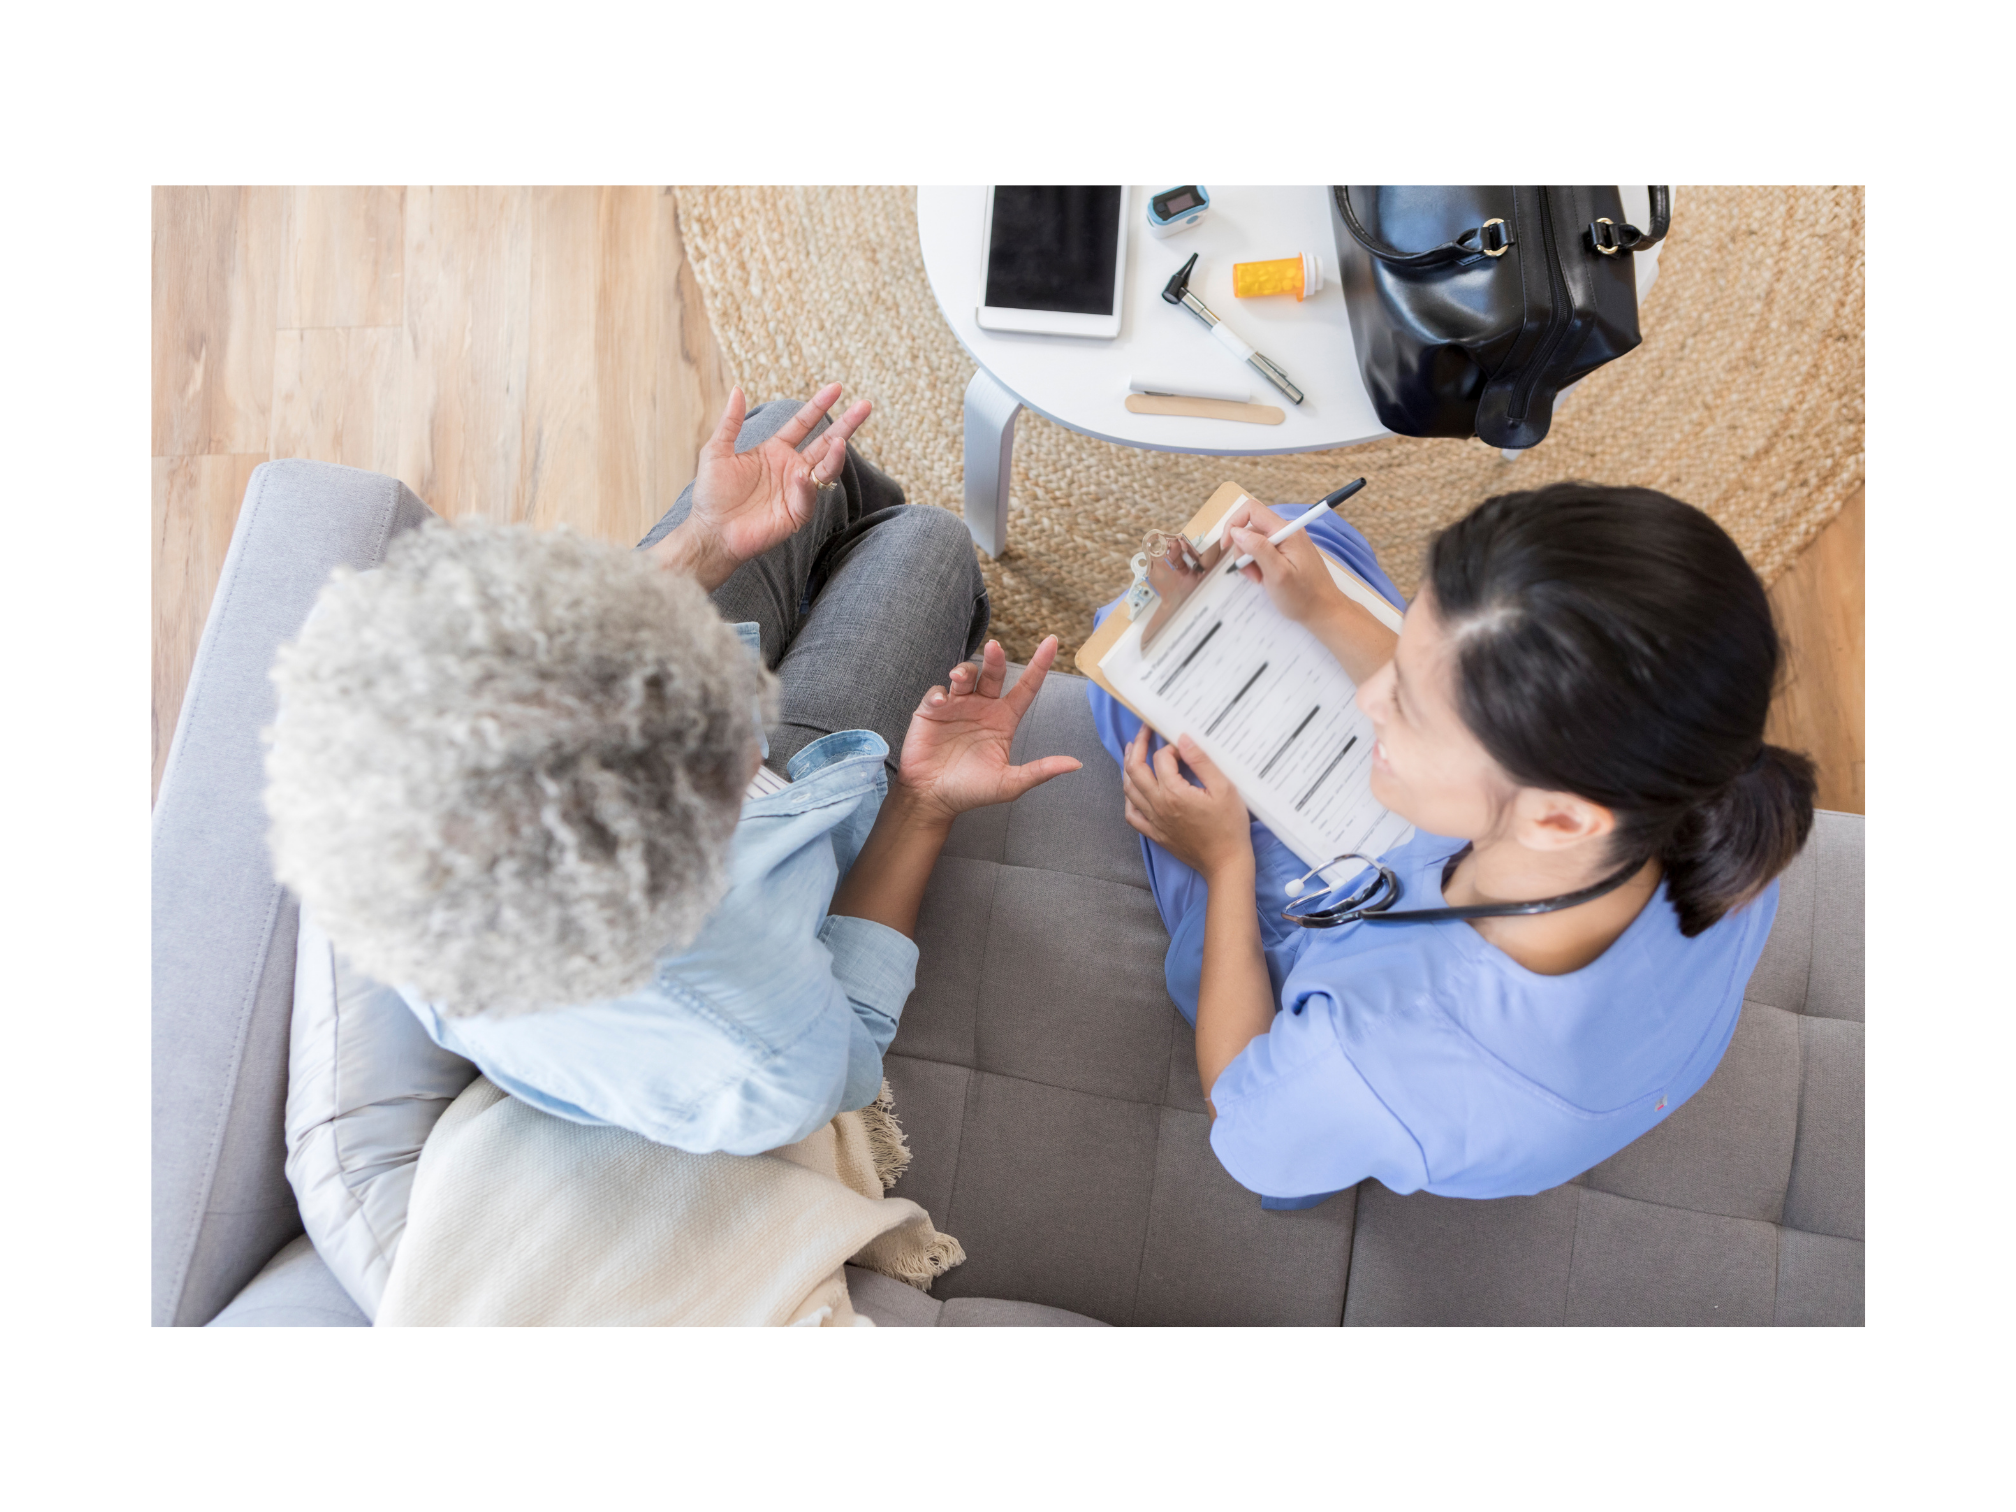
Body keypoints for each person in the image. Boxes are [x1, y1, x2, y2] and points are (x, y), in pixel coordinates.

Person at [265, 384, 1081, 1155]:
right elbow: (852, 1037)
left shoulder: (396, 786)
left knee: (790, 435)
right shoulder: (766, 1057)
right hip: (800, 807)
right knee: (927, 540)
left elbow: (550, 658)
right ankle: (873, 541)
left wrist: (702, 541)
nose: (742, 665)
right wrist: (922, 804)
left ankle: (843, 530)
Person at [1087, 482, 1816, 1207]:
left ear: (1558, 819)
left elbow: (1241, 1115)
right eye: (1401, 661)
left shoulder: (1369, 1052)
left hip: (1337, 1104)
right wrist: (1327, 608)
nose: (1370, 701)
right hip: (1524, 996)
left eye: (1408, 706)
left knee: (1130, 680)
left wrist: (1225, 862)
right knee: (1314, 540)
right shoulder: (1715, 798)